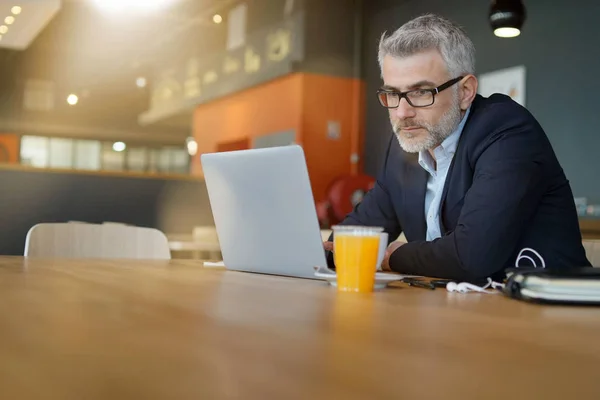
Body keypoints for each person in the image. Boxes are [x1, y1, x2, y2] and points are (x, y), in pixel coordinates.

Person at [324, 13, 590, 282]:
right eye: (393, 94)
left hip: (553, 310)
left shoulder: (507, 132)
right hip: (458, 312)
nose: (402, 112)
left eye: (420, 92)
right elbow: (352, 236)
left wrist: (393, 256)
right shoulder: (403, 149)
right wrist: (318, 252)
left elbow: (471, 256)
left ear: (465, 92)